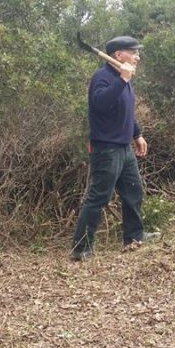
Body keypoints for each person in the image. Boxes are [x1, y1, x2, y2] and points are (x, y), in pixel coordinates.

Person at [70, 36, 153, 261]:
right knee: (99, 197)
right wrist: (122, 80)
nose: (138, 57)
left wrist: (138, 135)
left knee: (133, 191)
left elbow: (127, 111)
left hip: (124, 148)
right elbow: (101, 104)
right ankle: (81, 247)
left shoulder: (123, 78)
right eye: (133, 52)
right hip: (106, 149)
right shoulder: (103, 78)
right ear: (119, 55)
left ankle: (134, 237)